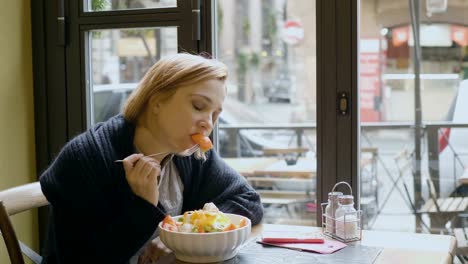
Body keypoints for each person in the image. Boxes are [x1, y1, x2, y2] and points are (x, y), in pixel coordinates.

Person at [39, 53, 264, 263]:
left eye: (215, 114)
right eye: (198, 106)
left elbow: (247, 199)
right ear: (157, 100)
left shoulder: (190, 154)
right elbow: (83, 258)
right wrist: (143, 207)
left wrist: (182, 235)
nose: (208, 123)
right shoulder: (85, 160)